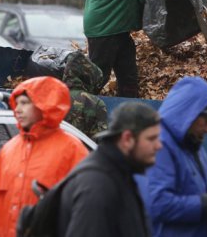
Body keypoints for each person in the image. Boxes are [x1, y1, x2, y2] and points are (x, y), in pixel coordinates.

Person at [0, 76, 88, 237]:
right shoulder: (9, 149)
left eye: (25, 103)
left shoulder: (72, 150)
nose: (17, 109)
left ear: (44, 105)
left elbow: (85, 211)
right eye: (17, 103)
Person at [57, 101, 162, 236]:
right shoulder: (97, 185)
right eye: (151, 138)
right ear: (127, 139)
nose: (159, 145)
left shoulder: (121, 174)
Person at [146, 76, 207, 237]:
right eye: (206, 121)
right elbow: (157, 204)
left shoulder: (193, 145)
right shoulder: (160, 145)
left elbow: (197, 195)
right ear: (189, 114)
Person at [62, 52, 108, 138]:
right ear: (88, 77)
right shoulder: (95, 103)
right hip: (83, 150)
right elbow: (101, 140)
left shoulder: (52, 96)